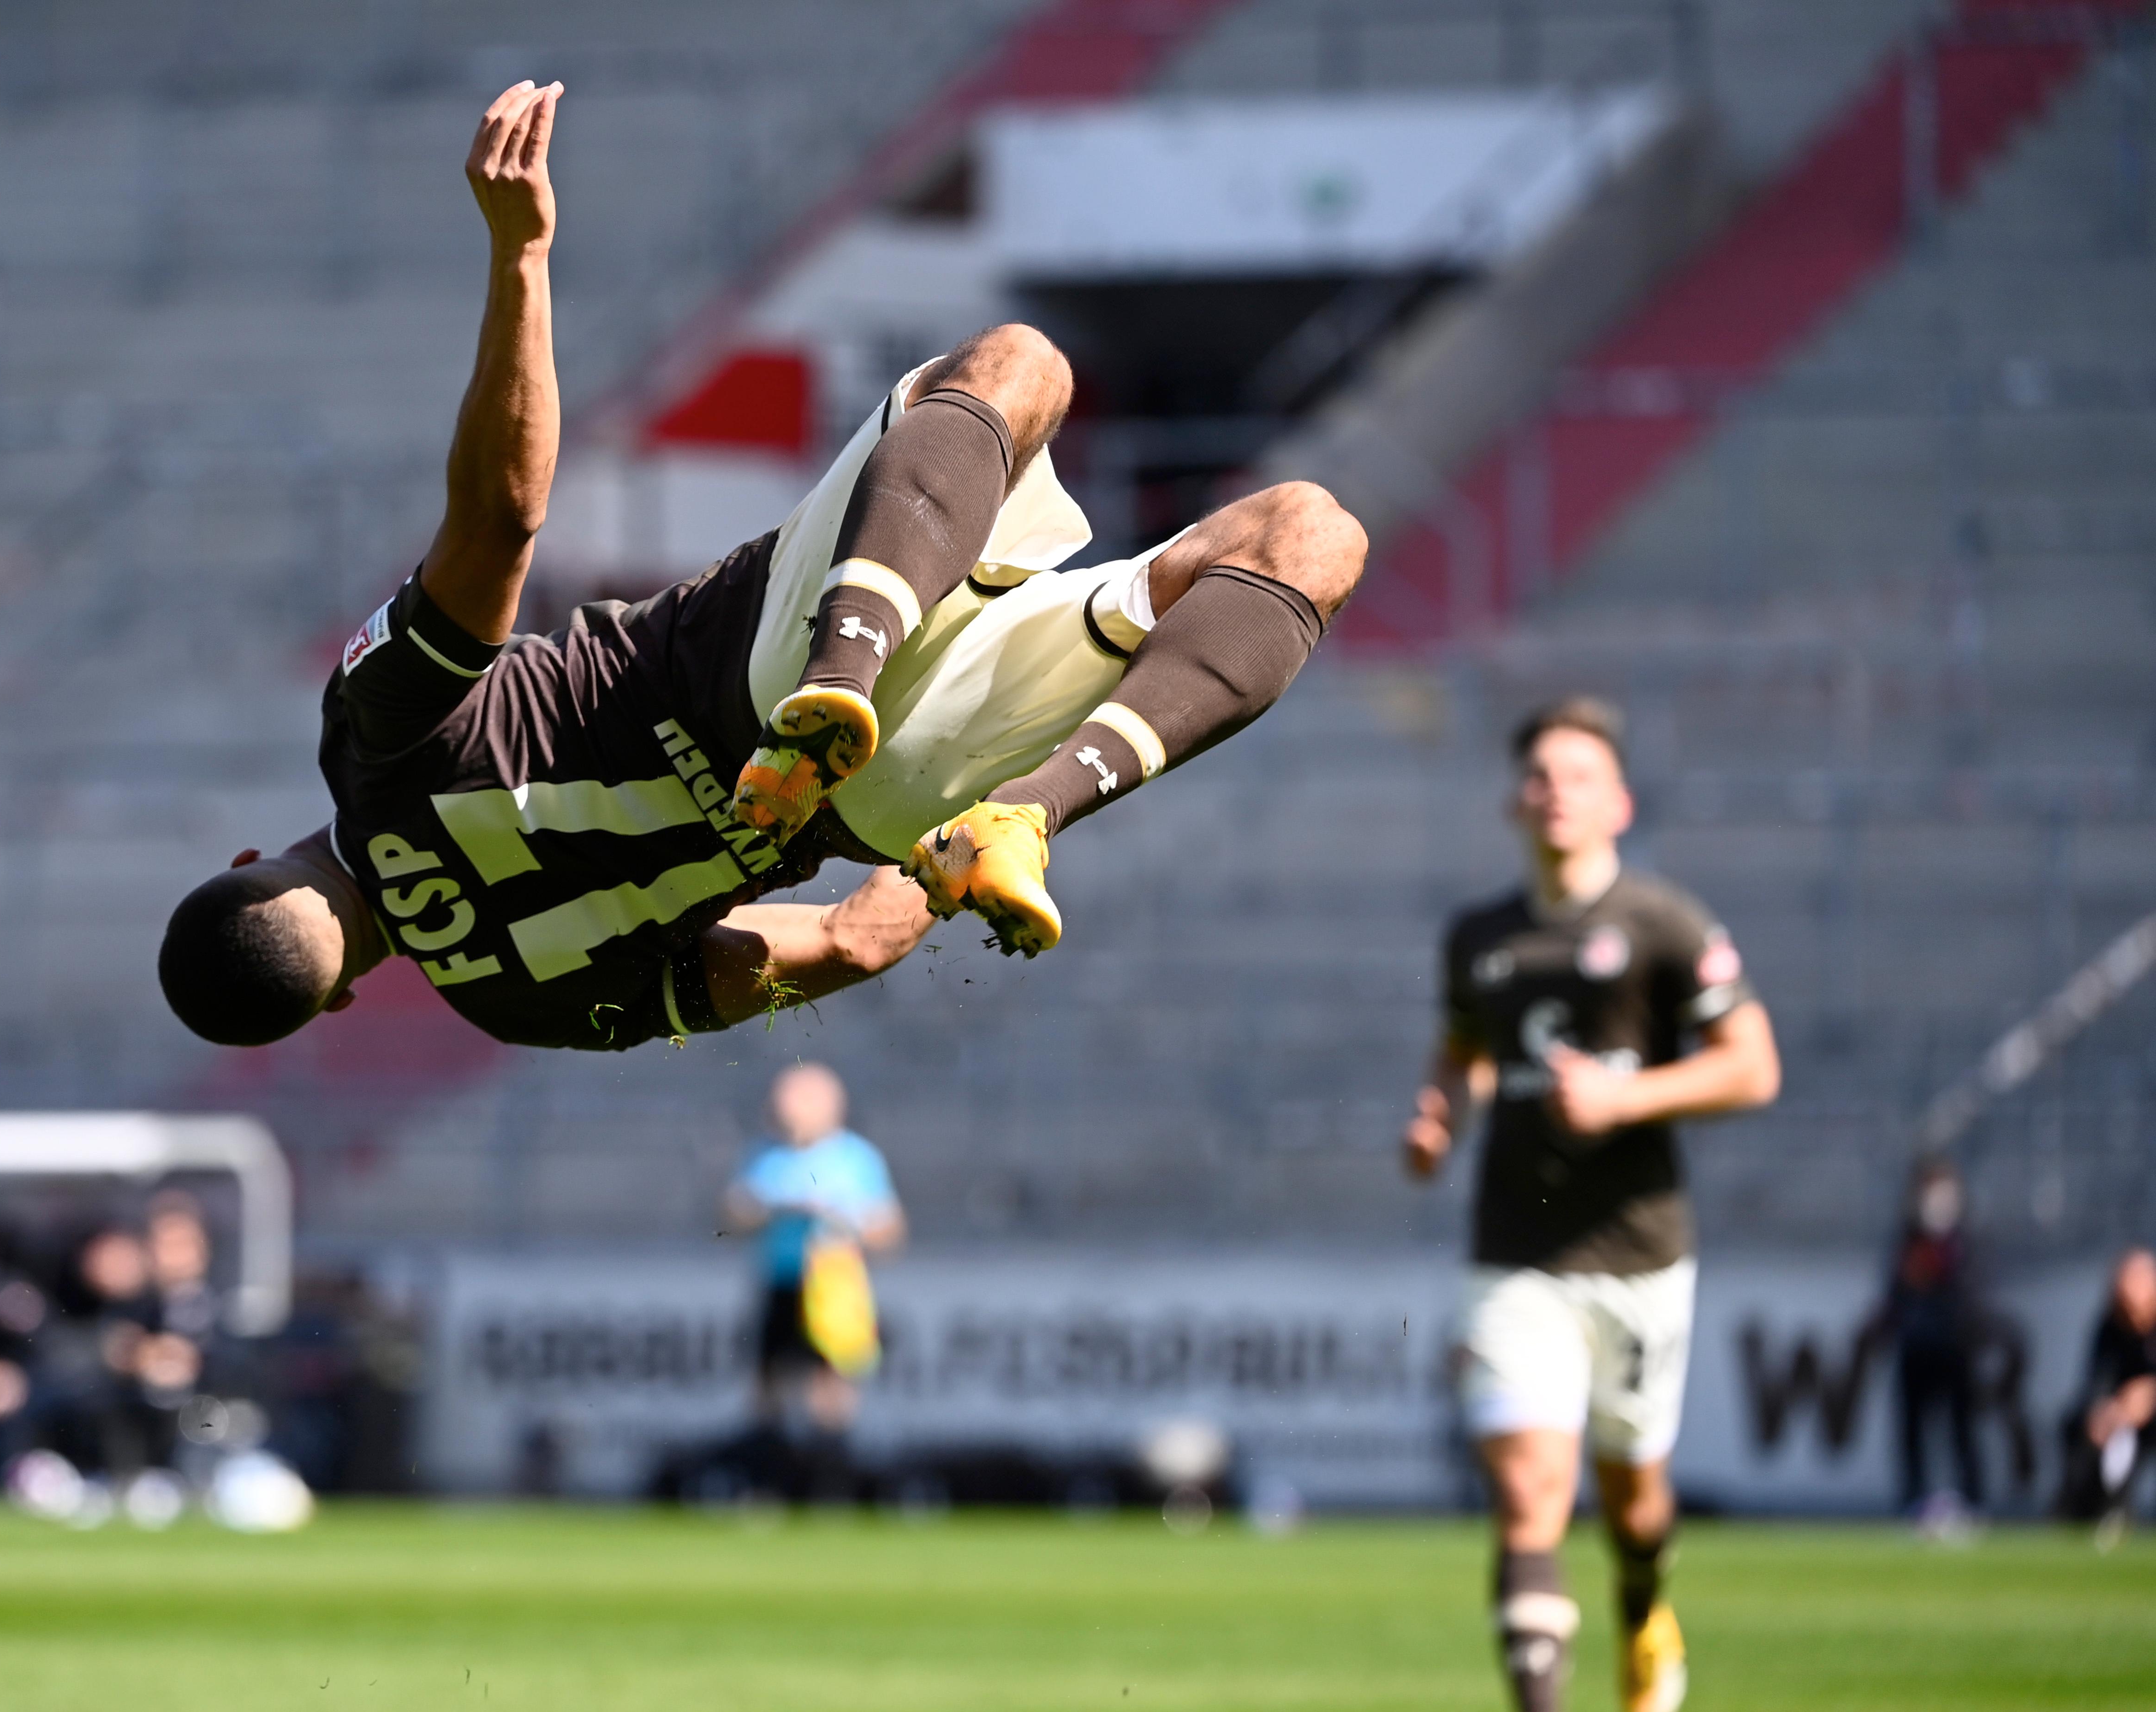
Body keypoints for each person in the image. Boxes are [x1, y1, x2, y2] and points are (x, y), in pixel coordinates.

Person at [157, 80, 1368, 1056]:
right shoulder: (375, 742)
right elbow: (504, 517)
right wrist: (520, 260)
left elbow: (848, 945)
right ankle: (838, 677)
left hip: (884, 801)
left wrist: (933, 872)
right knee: (1018, 370)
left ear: (335, 1001)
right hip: (759, 664)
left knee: (1310, 542)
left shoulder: (524, 1006)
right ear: (250, 865)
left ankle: (1022, 817)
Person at [1401, 697, 1780, 1712]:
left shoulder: (1665, 925)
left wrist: (1628, 1095)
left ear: (1618, 802)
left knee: (1634, 1507)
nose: (1554, 791)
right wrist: (1441, 1114)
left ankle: (1646, 1602)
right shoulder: (1479, 936)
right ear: (1514, 801)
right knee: (1529, 1492)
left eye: (1577, 776)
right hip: (1514, 1255)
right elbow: (1466, 1050)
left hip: (1642, 1255)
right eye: (1539, 775)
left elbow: (1754, 1067)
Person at [722, 1064, 903, 1496]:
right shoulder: (763, 1156)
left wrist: (844, 1218)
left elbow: (890, 1232)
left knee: (831, 1388)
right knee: (769, 1384)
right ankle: (767, 1486)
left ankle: (830, 1486)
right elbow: (730, 1219)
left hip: (833, 1288)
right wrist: (767, 1209)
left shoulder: (857, 1158)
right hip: (780, 1283)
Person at [1877, 1156, 1989, 1525]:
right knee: (1913, 1432)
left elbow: (1971, 1296)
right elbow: (1896, 1294)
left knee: (1962, 1429)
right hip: (1916, 1348)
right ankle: (1913, 1500)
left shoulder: (1965, 1242)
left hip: (1957, 1350)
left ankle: (1974, 1502)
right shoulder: (1908, 1240)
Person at [2063, 1247, 2156, 1546]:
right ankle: (2094, 1512)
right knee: (2082, 1426)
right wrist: (2104, 1410)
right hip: (2124, 1420)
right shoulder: (2111, 1326)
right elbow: (2097, 1381)